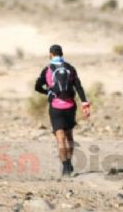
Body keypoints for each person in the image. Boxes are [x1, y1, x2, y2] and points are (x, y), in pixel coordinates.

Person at [34, 44, 90, 176]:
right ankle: (69, 164)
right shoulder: (70, 69)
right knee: (69, 136)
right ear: (62, 54)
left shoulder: (47, 70)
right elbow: (79, 87)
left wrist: (47, 91)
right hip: (70, 107)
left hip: (56, 108)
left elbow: (37, 87)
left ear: (50, 55)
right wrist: (85, 104)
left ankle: (65, 168)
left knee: (60, 138)